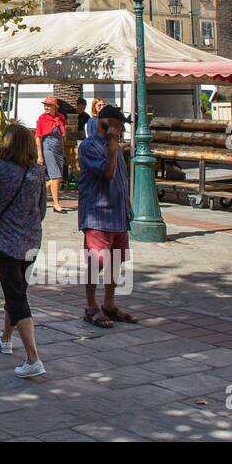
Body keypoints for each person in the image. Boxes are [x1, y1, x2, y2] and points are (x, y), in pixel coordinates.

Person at [0, 122, 47, 378]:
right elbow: (41, 209)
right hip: (31, 240)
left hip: (6, 240)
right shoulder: (38, 172)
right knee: (18, 290)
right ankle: (6, 338)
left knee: (17, 297)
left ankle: (33, 357)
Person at [77, 104, 138, 329]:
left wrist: (127, 206)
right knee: (97, 262)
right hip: (98, 214)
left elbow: (121, 179)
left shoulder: (115, 147)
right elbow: (108, 173)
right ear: (106, 124)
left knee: (116, 260)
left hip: (118, 215)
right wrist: (113, 146)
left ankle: (109, 303)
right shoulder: (90, 146)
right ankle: (91, 306)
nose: (121, 131)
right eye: (118, 126)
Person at [36, 96, 67, 212]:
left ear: (55, 107)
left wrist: (64, 152)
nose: (46, 107)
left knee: (58, 178)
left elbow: (62, 136)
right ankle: (56, 204)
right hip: (48, 149)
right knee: (55, 176)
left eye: (48, 105)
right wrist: (39, 155)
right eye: (45, 105)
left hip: (58, 149)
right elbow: (38, 137)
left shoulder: (61, 118)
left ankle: (38, 192)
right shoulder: (42, 118)